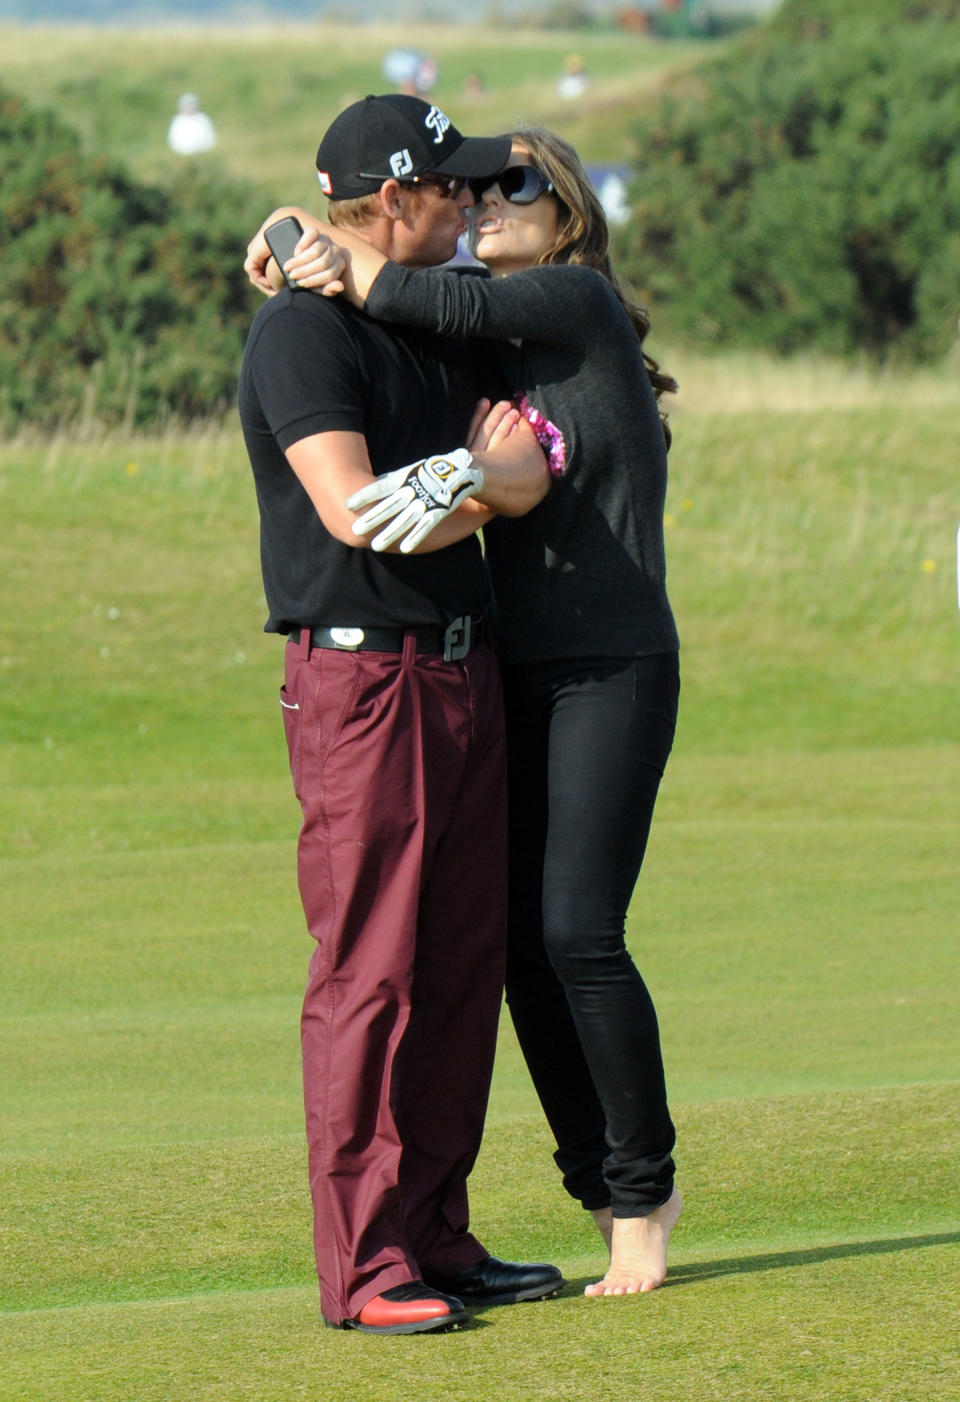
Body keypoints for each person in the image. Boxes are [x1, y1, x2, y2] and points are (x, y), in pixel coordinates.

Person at [245, 125, 684, 1297]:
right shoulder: (446, 317)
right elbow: (373, 484)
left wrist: (312, 238)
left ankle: (632, 1198)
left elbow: (390, 277)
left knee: (567, 936)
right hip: (468, 674)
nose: (483, 199)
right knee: (477, 958)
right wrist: (299, 233)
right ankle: (406, 1249)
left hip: (600, 666)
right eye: (466, 184)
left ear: (570, 210)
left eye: (511, 183)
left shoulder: (573, 306)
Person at [237, 93, 563, 1336]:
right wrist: (490, 484)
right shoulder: (299, 338)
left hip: (466, 670)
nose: (474, 206)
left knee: (461, 963)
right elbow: (359, 512)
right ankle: (366, 1263)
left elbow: (524, 465)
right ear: (390, 202)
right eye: (455, 189)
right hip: (364, 684)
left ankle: (434, 1230)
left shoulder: (442, 319)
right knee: (369, 972)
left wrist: (490, 481)